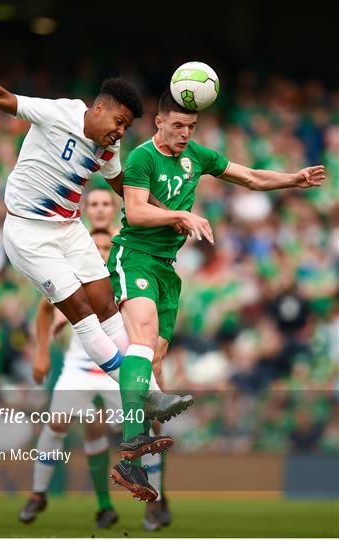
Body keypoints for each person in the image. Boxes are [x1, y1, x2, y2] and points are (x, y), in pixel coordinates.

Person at [0, 52, 197, 465]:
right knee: (83, 312)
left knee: (109, 305)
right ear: (98, 108)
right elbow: (1, 97)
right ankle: (143, 398)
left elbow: (124, 184)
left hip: (68, 228)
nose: (120, 132)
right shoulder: (57, 114)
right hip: (28, 234)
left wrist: (169, 213)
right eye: (118, 121)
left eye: (126, 127)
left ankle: (152, 399)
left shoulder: (110, 148)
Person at [108, 90, 326, 498]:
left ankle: (137, 467)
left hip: (166, 271)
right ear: (158, 122)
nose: (185, 134)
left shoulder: (198, 156)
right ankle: (130, 447)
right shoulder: (141, 158)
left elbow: (250, 177)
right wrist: (180, 214)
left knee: (155, 363)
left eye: (191, 127)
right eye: (177, 126)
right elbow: (135, 210)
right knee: (141, 340)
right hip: (134, 257)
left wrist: (293, 180)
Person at [19, 190, 170, 531]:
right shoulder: (75, 262)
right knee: (62, 421)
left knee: (149, 426)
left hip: (122, 363)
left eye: (106, 250)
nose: (101, 254)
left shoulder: (129, 266)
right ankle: (41, 493)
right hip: (81, 363)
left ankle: (156, 501)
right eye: (98, 250)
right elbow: (49, 308)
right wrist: (43, 348)